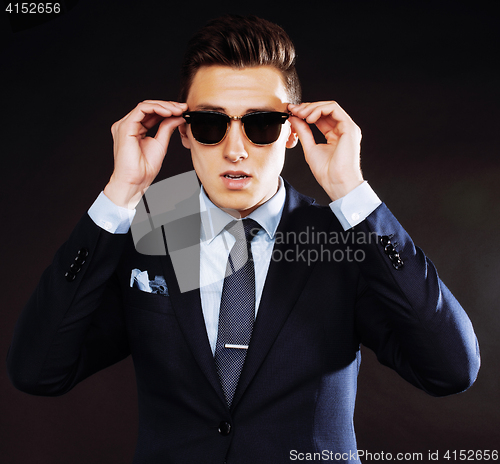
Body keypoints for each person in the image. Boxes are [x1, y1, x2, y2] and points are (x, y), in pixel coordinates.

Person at [7, 14, 480, 464]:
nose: (235, 149)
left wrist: (352, 194)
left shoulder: (348, 244)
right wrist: (122, 193)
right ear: (186, 134)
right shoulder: (145, 235)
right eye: (211, 124)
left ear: (292, 133)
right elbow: (38, 370)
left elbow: (451, 370)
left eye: (261, 125)